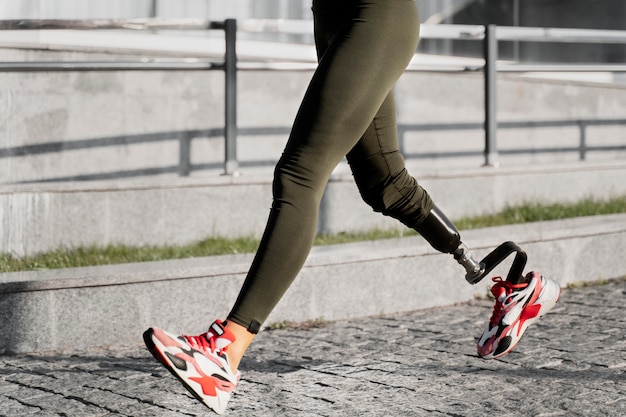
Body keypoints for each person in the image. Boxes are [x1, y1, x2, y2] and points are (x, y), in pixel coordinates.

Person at [143, 0, 560, 414]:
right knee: (386, 184)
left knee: (299, 173)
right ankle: (512, 282)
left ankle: (224, 351)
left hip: (375, 12)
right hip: (334, 17)